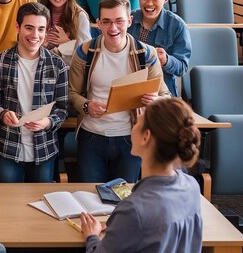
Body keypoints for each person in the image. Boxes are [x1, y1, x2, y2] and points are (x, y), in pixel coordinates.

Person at [68, 0, 170, 183]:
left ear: (130, 21)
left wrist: (155, 102)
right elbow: (71, 93)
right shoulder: (84, 52)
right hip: (92, 136)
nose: (112, 28)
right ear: (98, 23)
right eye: (106, 22)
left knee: (123, 199)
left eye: (119, 21)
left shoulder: (147, 54)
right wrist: (86, 105)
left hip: (130, 137)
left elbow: (165, 96)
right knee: (90, 196)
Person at [81, 98, 202, 253]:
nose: (132, 126)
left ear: (146, 136)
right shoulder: (191, 186)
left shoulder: (133, 209)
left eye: (137, 122)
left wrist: (92, 236)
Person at [0, 3, 68, 183]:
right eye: (29, 28)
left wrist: (47, 122)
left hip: (44, 150)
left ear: (46, 31)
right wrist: (3, 114)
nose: (35, 35)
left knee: (41, 205)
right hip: (8, 148)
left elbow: (62, 109)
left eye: (40, 29)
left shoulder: (57, 65)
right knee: (8, 207)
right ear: (18, 27)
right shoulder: (0, 62)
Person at [127, 0, 191, 97]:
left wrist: (166, 60)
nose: (149, 3)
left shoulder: (178, 26)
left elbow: (182, 67)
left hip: (162, 93)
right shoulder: (128, 19)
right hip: (130, 87)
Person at [39, 0, 91, 65]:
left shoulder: (80, 16)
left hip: (68, 71)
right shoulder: (39, 13)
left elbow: (85, 54)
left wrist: (67, 42)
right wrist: (41, 42)